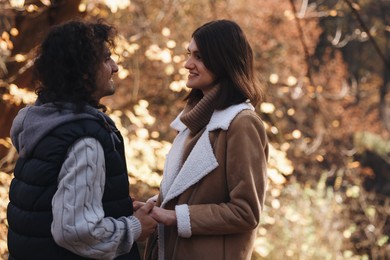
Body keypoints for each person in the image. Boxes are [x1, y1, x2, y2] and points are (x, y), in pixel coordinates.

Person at [7, 20, 157, 260]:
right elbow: (76, 232)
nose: (115, 67)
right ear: (84, 70)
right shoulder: (84, 137)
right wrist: (135, 228)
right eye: (107, 59)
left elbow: (47, 205)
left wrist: (116, 207)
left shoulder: (44, 124)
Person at [142, 19, 269, 260]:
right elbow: (188, 193)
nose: (187, 64)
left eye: (199, 57)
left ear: (223, 60)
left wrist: (175, 217)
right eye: (189, 54)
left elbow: (246, 212)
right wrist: (154, 206)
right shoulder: (193, 121)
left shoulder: (242, 124)